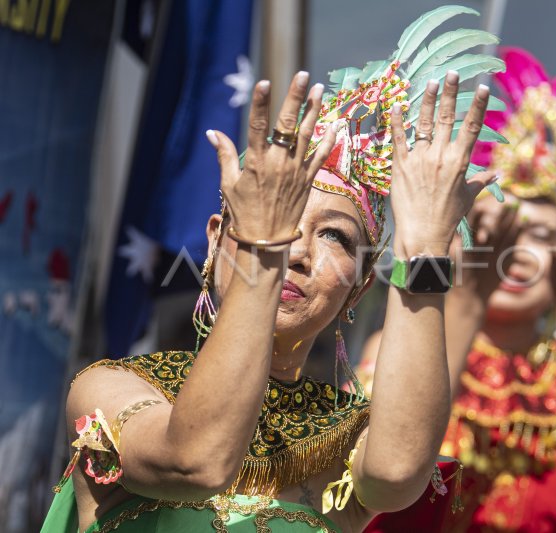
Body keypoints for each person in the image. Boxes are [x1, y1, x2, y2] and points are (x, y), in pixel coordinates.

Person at [40, 7, 506, 532]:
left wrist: (424, 249)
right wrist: (264, 250)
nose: (297, 249)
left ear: (359, 289)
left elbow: (398, 475)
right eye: (277, 219)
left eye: (334, 235)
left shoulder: (343, 441)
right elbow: (195, 459)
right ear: (216, 240)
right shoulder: (114, 387)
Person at [360, 47, 556, 532]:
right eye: (493, 229)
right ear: (456, 235)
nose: (512, 252)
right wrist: (467, 300)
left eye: (538, 236)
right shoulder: (402, 348)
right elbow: (391, 462)